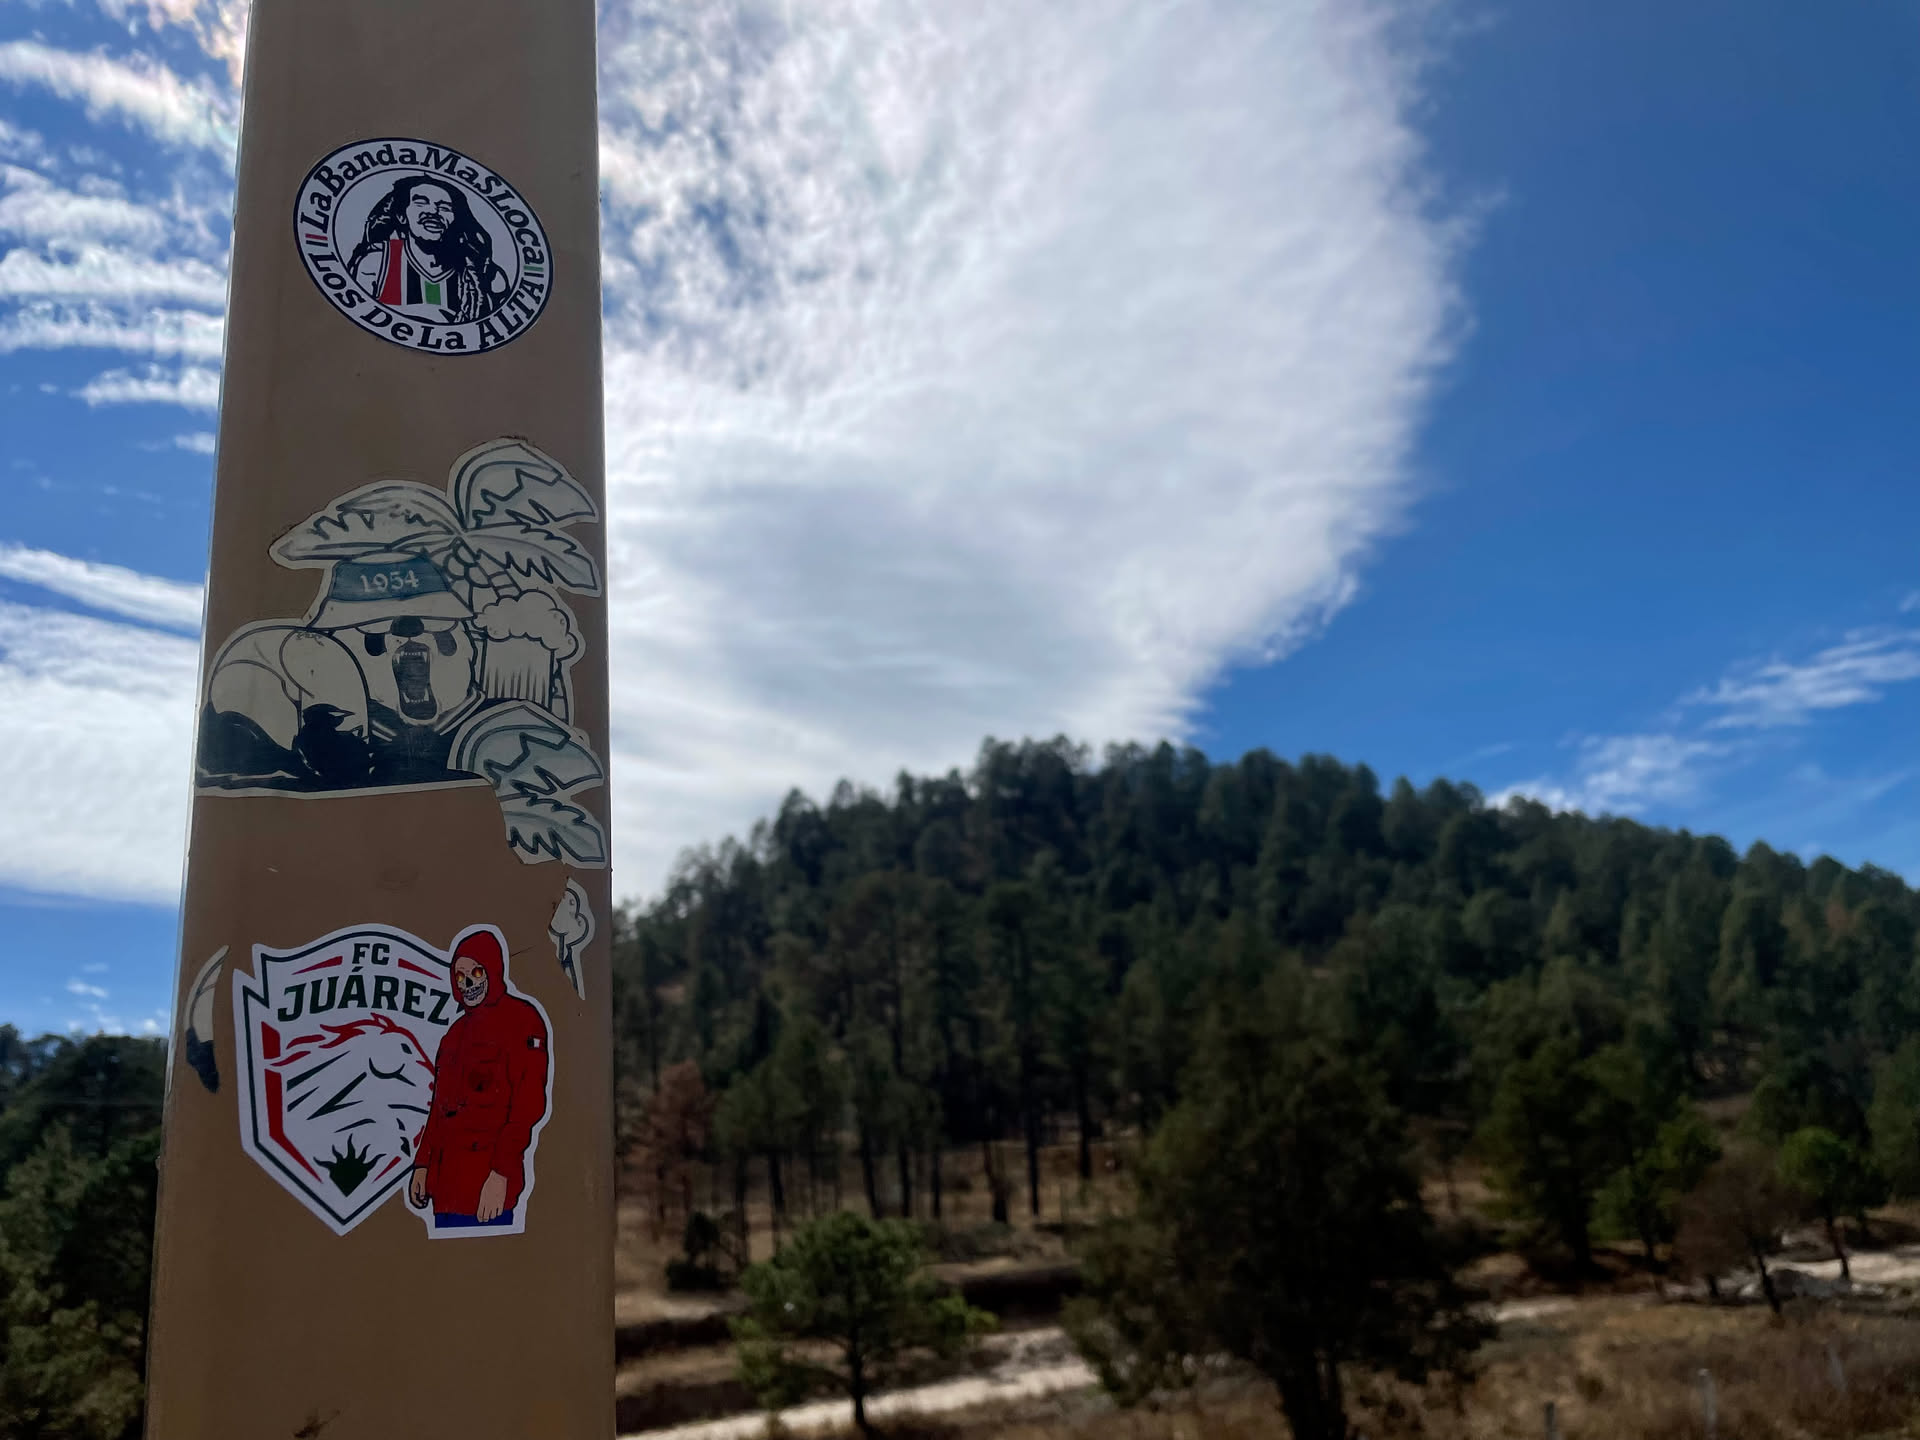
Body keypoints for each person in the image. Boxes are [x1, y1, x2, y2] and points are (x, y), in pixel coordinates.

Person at [408, 927, 550, 1231]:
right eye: (459, 977)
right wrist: (422, 1165)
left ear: (492, 969)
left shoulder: (522, 1020)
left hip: (487, 1189)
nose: (468, 983)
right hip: (445, 1190)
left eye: (475, 971)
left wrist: (501, 1173)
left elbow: (527, 1108)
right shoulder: (454, 1035)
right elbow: (438, 1109)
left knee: (490, 1272)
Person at [349, 174, 509, 324]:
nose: (433, 211)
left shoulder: (482, 275)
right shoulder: (377, 262)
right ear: (401, 216)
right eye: (421, 202)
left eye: (444, 207)